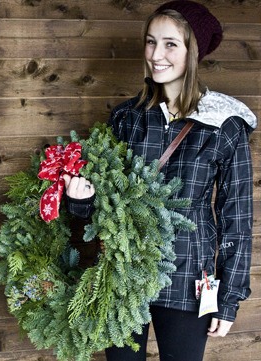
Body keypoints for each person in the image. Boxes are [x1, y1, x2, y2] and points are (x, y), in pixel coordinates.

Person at [63, 1, 258, 360]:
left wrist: (229, 298)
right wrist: (80, 202)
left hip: (187, 278)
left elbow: (237, 219)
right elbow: (105, 203)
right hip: (121, 274)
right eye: (151, 42)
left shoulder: (225, 125)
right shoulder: (126, 118)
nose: (157, 54)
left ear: (193, 51)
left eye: (171, 44)